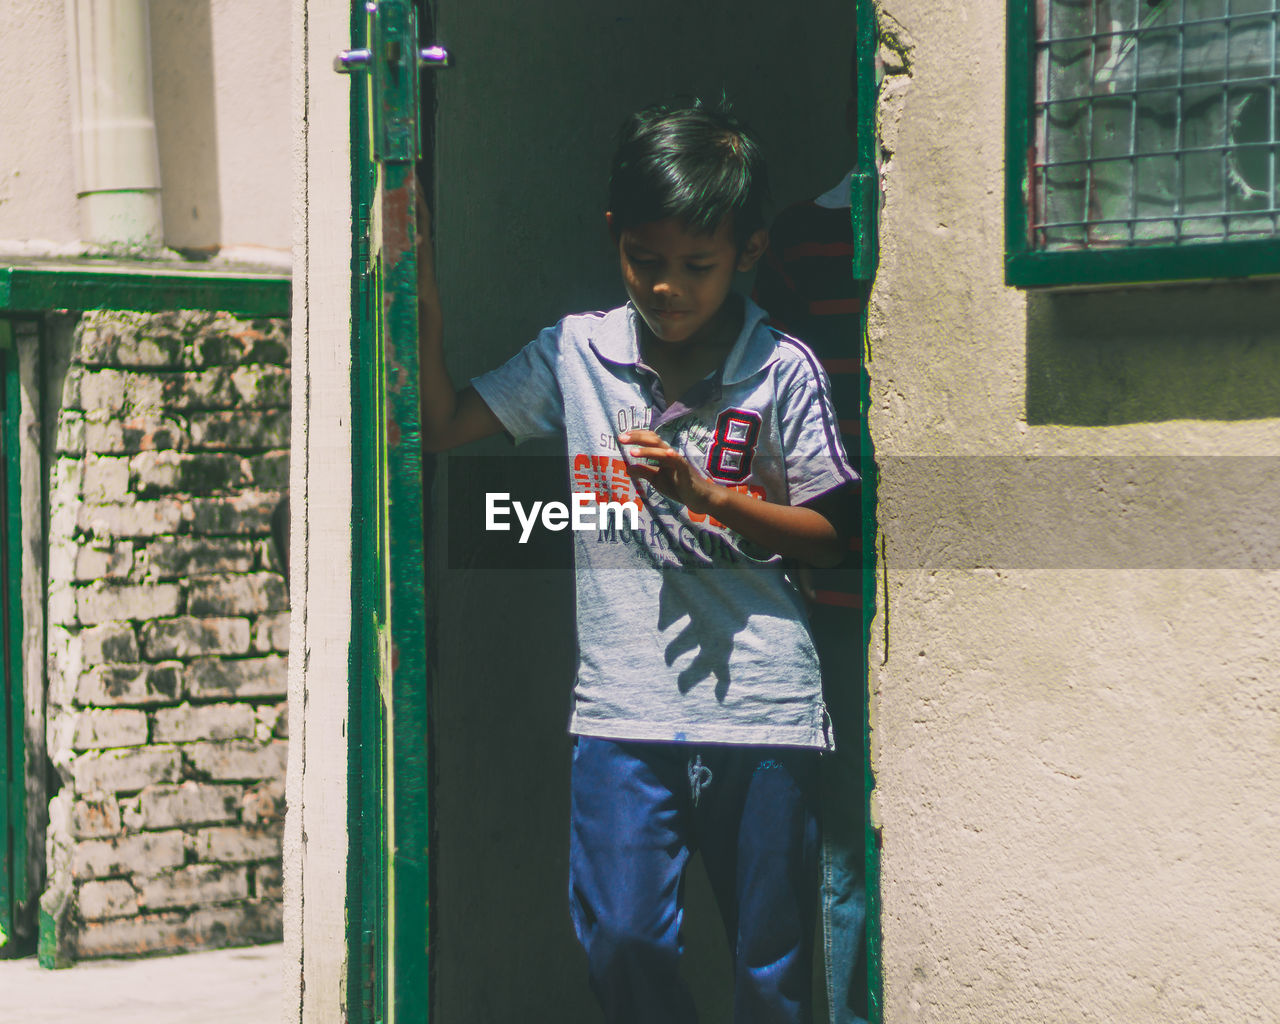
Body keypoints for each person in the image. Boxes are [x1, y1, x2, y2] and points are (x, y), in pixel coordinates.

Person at [417, 96, 859, 1024]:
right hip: (622, 712)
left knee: (771, 972)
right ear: (615, 237)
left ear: (747, 251)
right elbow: (441, 424)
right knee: (623, 940)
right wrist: (416, 291)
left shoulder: (783, 369)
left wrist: (715, 500)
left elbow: (835, 531)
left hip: (765, 713)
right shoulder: (577, 354)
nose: (668, 288)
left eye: (697, 266)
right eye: (645, 262)